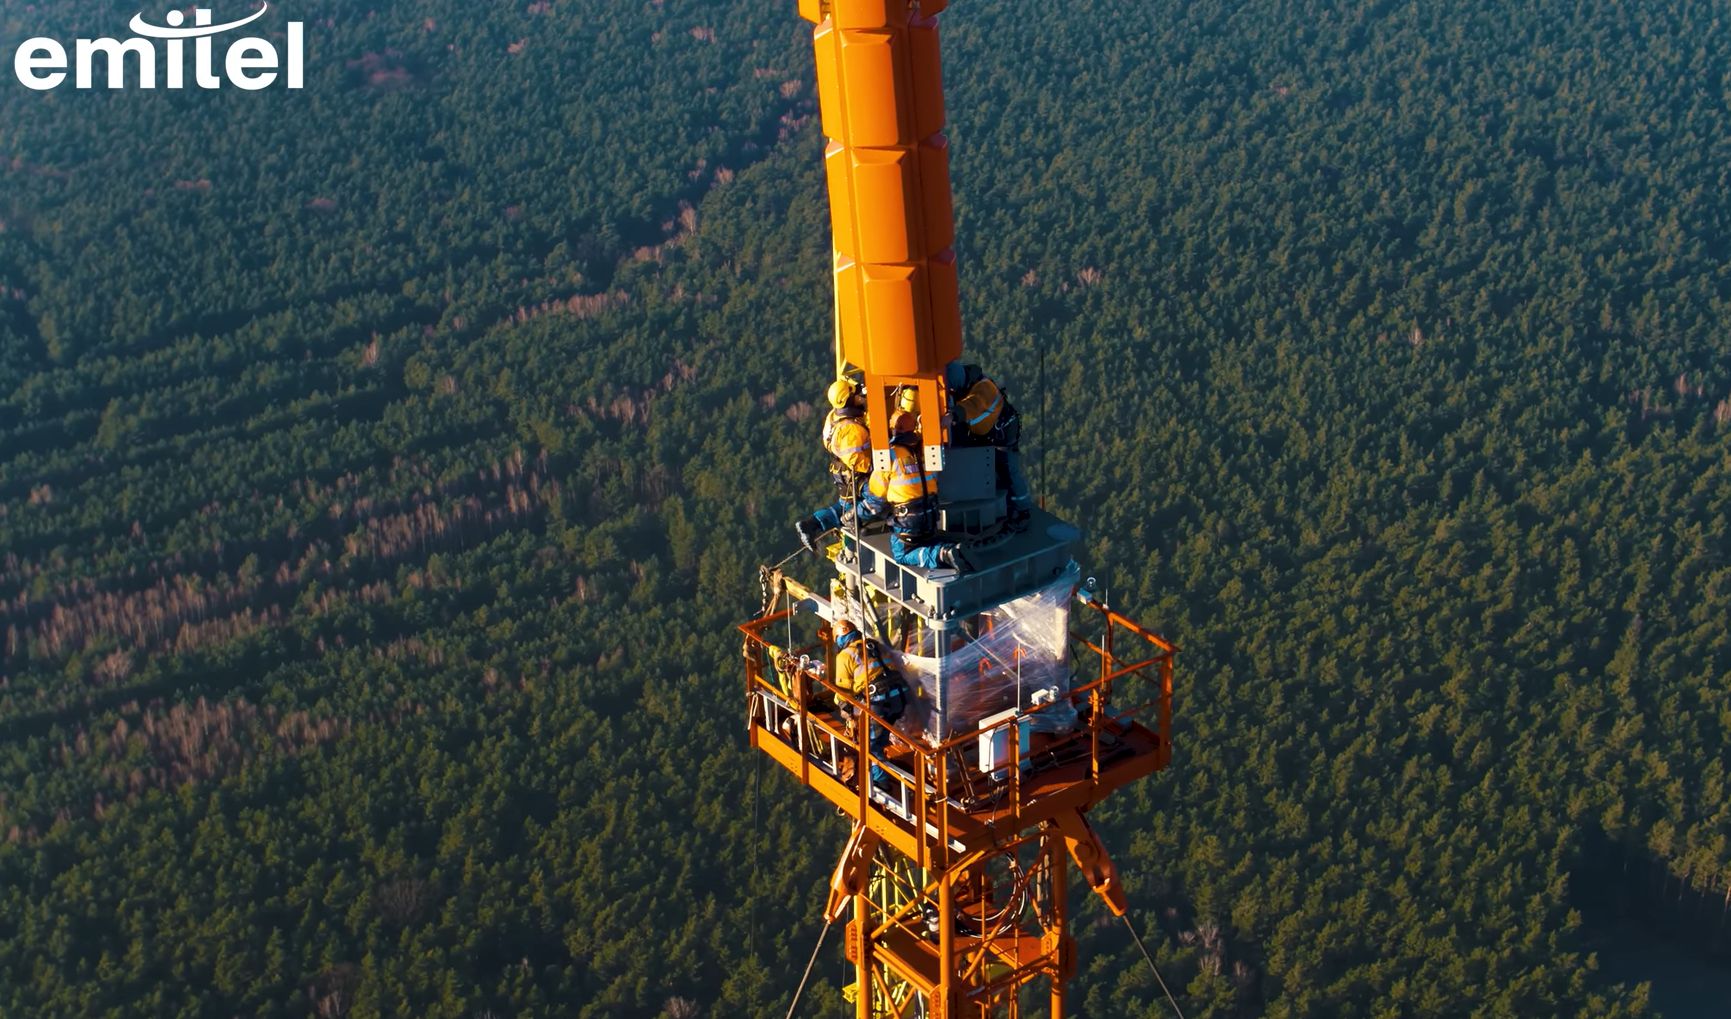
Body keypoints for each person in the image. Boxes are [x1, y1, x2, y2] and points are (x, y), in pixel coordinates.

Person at [796, 411, 974, 571]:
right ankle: (945, 548)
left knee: (902, 554)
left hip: (908, 518)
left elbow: (875, 502)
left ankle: (940, 554)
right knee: (924, 537)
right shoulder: (926, 448)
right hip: (931, 511)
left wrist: (853, 515)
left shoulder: (888, 456)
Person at [945, 361, 1032, 529]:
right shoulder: (965, 386)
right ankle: (1006, 504)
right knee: (990, 468)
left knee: (1008, 471)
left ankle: (1023, 510)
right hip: (986, 435)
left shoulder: (983, 389)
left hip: (1002, 436)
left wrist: (952, 416)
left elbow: (974, 404)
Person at [797, 378, 873, 553]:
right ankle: (855, 519)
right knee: (878, 499)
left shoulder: (833, 417)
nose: (858, 395)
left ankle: (812, 524)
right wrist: (876, 469)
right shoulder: (852, 429)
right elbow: (856, 460)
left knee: (844, 506)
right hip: (856, 474)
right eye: (854, 394)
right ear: (847, 399)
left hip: (841, 472)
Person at [831, 618, 907, 789]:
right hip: (899, 697)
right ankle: (881, 758)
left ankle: (881, 783)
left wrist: (844, 708)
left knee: (869, 745)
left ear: (839, 638)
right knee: (881, 734)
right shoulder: (874, 644)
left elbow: (842, 692)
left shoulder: (844, 656)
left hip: (879, 701)